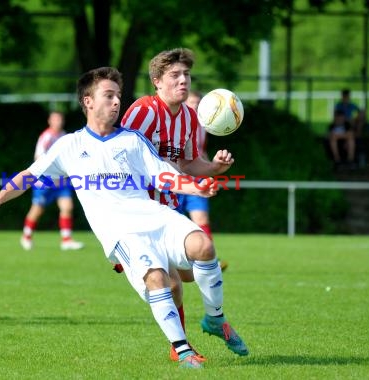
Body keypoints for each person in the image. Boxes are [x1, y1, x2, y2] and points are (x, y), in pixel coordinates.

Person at [0, 66, 247, 369]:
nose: (117, 101)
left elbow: (165, 176)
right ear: (88, 101)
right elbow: (29, 176)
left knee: (203, 246)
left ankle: (214, 317)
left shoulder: (132, 141)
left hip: (154, 216)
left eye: (118, 95)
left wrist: (197, 186)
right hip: (121, 233)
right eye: (109, 95)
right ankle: (183, 351)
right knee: (159, 281)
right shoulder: (69, 146)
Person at [121, 48, 245, 362]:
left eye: (186, 75)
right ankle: (183, 349)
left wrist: (214, 168)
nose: (183, 81)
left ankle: (211, 322)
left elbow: (188, 162)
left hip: (168, 210)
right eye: (175, 75)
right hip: (136, 214)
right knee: (174, 282)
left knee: (199, 256)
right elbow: (119, 157)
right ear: (156, 82)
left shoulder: (190, 116)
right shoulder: (142, 111)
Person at [20, 111, 84, 251]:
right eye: (55, 119)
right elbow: (38, 158)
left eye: (60, 119)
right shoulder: (46, 137)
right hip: (45, 181)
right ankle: (26, 236)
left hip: (60, 181)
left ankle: (66, 240)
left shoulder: (65, 136)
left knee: (67, 207)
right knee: (37, 210)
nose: (58, 122)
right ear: (50, 121)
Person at [183, 90, 228, 272]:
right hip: (175, 181)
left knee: (201, 218)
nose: (194, 106)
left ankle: (211, 260)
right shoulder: (176, 123)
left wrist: (210, 169)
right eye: (191, 102)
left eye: (197, 103)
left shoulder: (204, 126)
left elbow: (200, 153)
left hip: (197, 179)